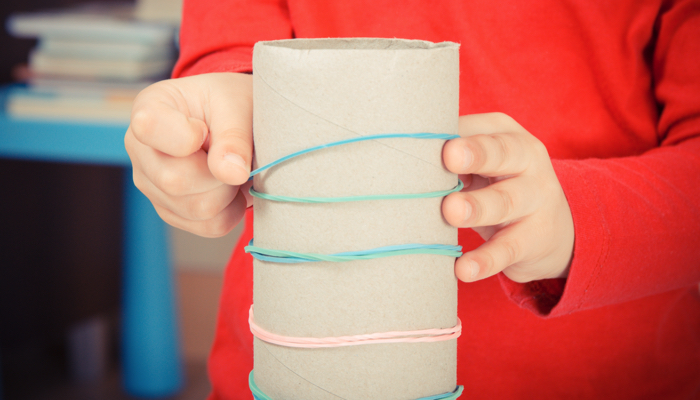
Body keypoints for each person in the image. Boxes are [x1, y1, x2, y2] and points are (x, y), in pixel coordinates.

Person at [124, 0, 700, 398]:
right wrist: (221, 115)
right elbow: (232, 55)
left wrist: (581, 221)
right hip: (293, 363)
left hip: (605, 375)